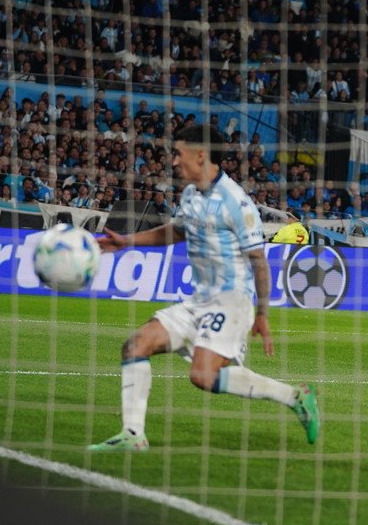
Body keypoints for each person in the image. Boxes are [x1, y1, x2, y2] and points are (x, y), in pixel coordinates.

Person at [89, 124, 320, 451]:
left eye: (179, 154)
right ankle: (132, 435)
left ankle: (296, 396)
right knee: (135, 346)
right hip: (199, 300)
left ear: (200, 156)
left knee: (203, 377)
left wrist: (262, 314)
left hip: (232, 302)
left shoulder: (236, 203)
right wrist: (127, 241)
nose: (174, 162)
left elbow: (258, 260)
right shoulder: (190, 195)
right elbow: (176, 232)